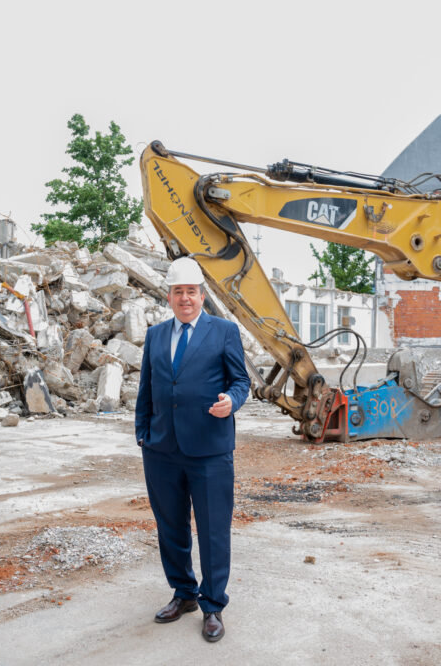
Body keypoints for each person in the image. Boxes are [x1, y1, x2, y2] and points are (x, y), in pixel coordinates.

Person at [135, 257, 251, 643]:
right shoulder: (155, 335)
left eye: (191, 292)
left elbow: (240, 381)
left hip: (209, 449)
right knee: (170, 527)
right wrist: (142, 435)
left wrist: (231, 403)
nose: (185, 298)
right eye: (178, 292)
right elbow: (146, 390)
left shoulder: (224, 332)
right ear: (168, 296)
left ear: (202, 295)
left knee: (213, 530)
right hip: (162, 449)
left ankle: (213, 605)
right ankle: (183, 593)